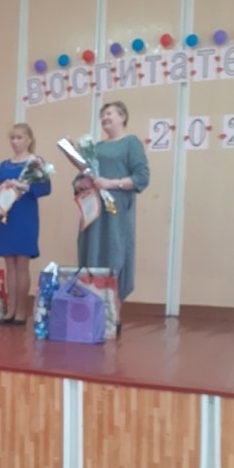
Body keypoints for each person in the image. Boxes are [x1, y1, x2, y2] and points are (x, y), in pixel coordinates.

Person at [73, 101, 149, 333]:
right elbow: (81, 178)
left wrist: (112, 183)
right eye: (102, 115)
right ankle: (92, 312)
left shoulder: (131, 143)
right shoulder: (94, 148)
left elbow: (142, 177)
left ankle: (113, 314)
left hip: (116, 214)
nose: (105, 118)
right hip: (94, 214)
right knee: (91, 255)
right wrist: (81, 182)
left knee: (115, 255)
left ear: (123, 116)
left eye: (110, 113)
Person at [0, 123, 51, 325]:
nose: (15, 142)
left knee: (22, 264)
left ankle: (22, 312)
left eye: (19, 137)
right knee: (9, 264)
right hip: (7, 215)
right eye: (13, 138)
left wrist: (22, 185)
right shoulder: (4, 165)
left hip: (26, 215)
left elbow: (45, 188)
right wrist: (3, 188)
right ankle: (10, 310)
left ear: (29, 140)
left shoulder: (35, 163)